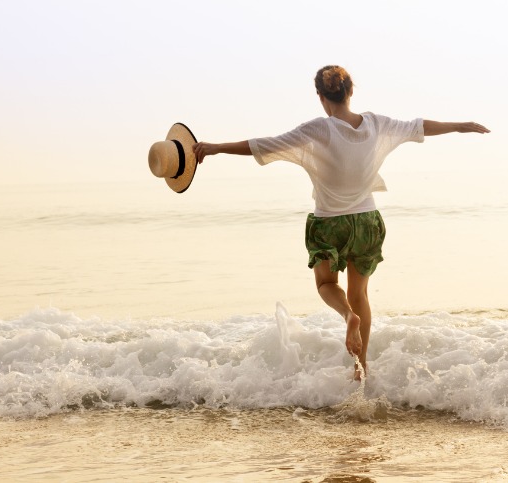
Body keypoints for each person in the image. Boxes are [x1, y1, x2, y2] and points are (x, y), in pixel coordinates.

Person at [193, 65, 490, 380]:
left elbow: (264, 144)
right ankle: (361, 367)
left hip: (329, 224)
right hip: (367, 222)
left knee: (327, 285)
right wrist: (461, 125)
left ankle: (348, 316)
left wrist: (214, 148)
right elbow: (420, 126)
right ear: (351, 92)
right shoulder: (377, 124)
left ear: (321, 97)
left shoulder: (318, 129)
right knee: (360, 293)